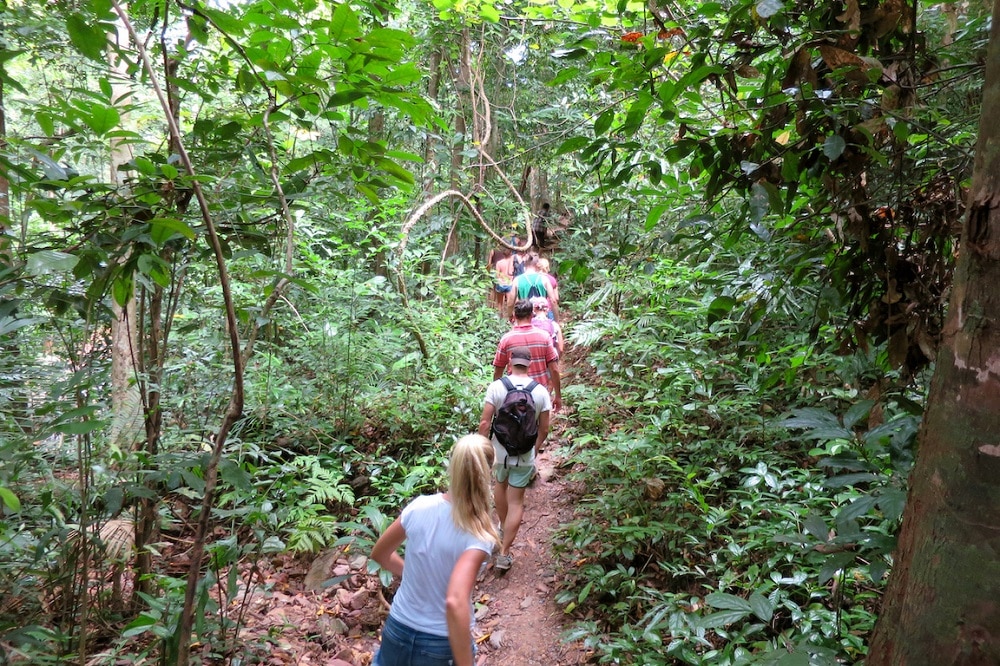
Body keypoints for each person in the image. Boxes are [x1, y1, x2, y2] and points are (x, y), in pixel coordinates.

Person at [370, 434, 499, 666]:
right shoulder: (479, 535)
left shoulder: (419, 507)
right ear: (489, 471)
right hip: (439, 641)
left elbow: (380, 554)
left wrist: (414, 574)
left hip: (398, 627)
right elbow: (455, 601)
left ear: (453, 466)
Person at [478, 347, 552, 572]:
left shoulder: (497, 386)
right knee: (516, 501)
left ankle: (501, 531)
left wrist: (484, 449)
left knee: (500, 486)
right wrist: (534, 450)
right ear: (528, 364)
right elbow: (545, 428)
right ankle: (504, 553)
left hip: (499, 453)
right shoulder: (540, 391)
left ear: (510, 362)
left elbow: (484, 423)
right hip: (524, 455)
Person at [493, 298, 562, 411]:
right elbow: (554, 369)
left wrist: (497, 397)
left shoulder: (506, 339)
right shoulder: (544, 337)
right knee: (542, 428)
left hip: (514, 395)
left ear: (514, 315)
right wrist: (558, 396)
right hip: (539, 393)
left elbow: (498, 372)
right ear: (531, 315)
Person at [505, 252, 548, 320]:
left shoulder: (517, 280)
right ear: (537, 264)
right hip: (541, 317)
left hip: (524, 318)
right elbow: (554, 300)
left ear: (524, 263)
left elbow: (510, 302)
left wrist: (510, 315)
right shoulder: (544, 279)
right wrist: (556, 320)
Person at [491, 247, 514, 312]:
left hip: (501, 283)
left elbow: (497, 275)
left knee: (500, 303)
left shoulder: (499, 262)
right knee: (510, 303)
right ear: (510, 254)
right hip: (509, 283)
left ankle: (499, 317)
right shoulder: (512, 263)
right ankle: (510, 318)